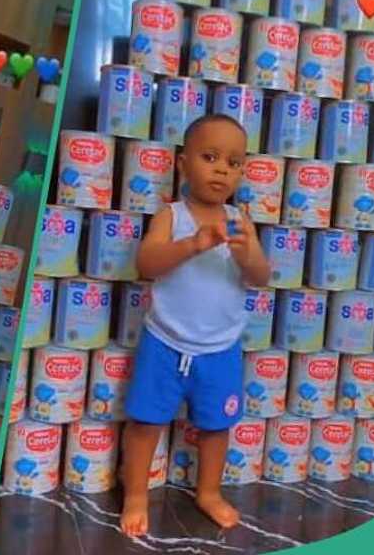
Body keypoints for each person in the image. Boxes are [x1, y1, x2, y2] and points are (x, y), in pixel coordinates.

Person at [119, 115, 270, 537]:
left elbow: (261, 276)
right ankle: (135, 494)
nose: (222, 169)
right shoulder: (172, 216)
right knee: (145, 422)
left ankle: (208, 491)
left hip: (220, 348)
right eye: (210, 157)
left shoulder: (240, 221)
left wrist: (246, 254)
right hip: (165, 342)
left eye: (233, 163)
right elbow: (147, 263)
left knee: (216, 426)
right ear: (184, 164)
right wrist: (194, 243)